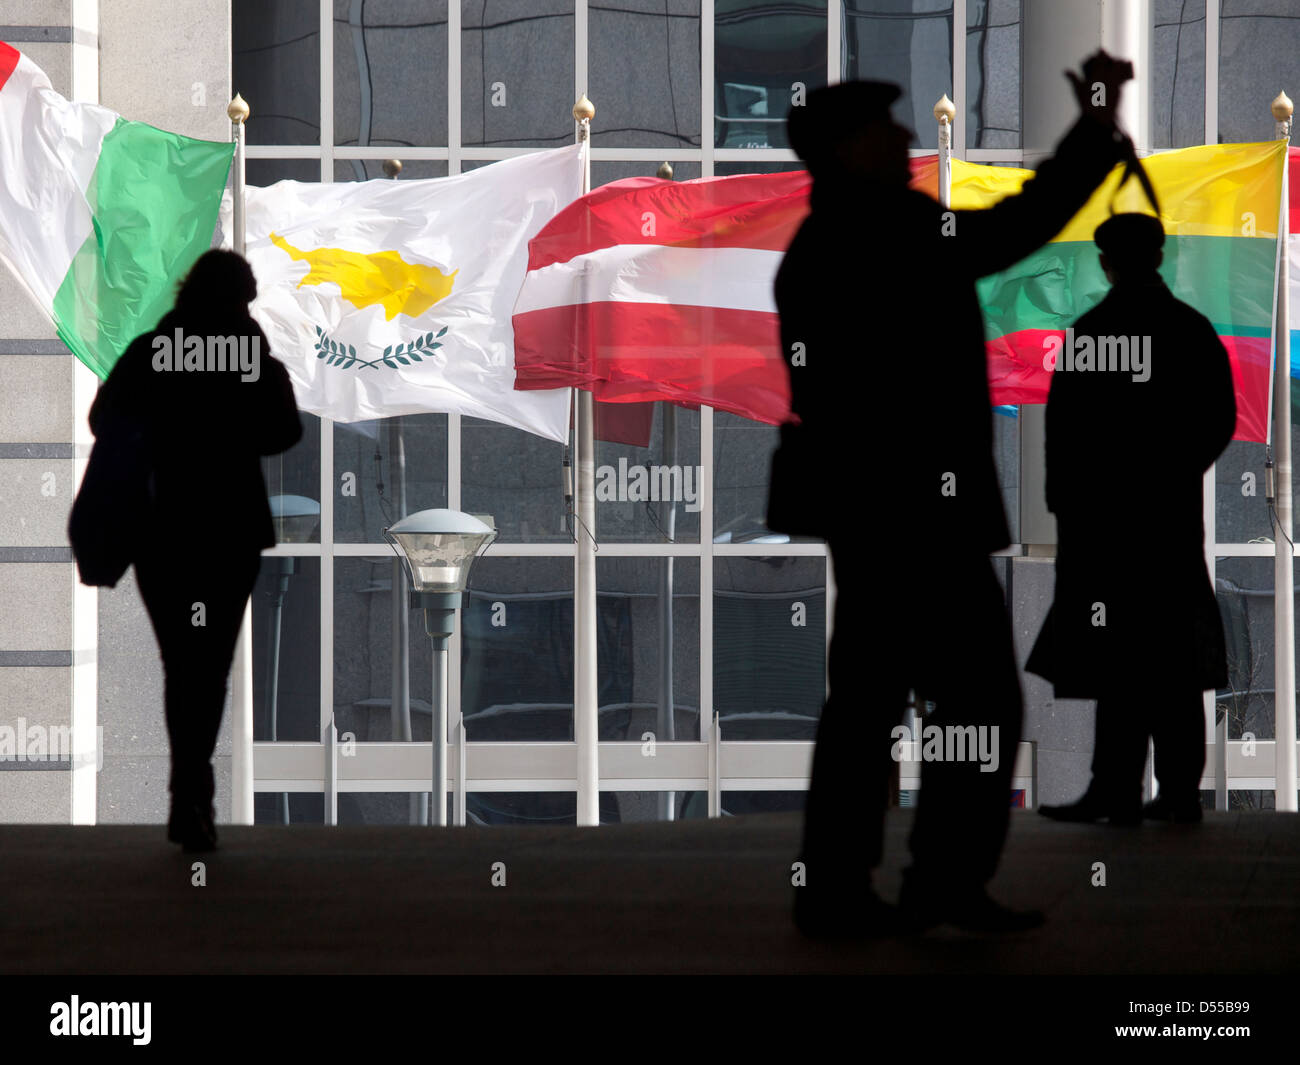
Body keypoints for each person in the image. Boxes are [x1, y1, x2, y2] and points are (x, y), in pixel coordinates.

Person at [769, 52, 1138, 939]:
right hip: (914, 518)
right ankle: (932, 881)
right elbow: (1020, 226)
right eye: (882, 127)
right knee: (972, 700)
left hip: (876, 513)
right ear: (846, 148)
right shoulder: (884, 230)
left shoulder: (830, 240)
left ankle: (843, 888)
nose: (902, 137)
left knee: (868, 703)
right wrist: (1094, 120)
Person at [88, 250, 302, 851]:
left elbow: (103, 417)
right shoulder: (246, 357)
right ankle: (191, 798)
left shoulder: (154, 352)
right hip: (228, 535)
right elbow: (284, 430)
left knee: (181, 662)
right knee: (208, 665)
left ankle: (190, 797)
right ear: (237, 299)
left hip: (162, 532)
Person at [1029, 213, 1236, 826]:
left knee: (1116, 661)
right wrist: (1172, 474)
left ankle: (1114, 789)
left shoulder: (1093, 334)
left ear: (1105, 262)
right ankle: (1176, 795)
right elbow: (1217, 421)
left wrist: (1072, 508)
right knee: (1173, 660)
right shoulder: (1189, 330)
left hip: (1104, 530)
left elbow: (1064, 440)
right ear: (1159, 256)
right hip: (1167, 527)